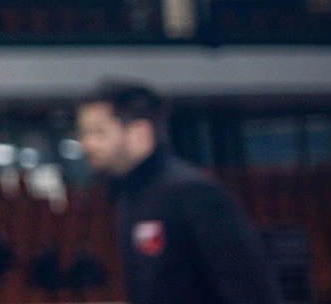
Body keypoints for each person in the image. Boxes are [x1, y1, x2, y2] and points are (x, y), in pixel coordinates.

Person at [74, 78, 278, 304]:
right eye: (84, 134)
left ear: (140, 132)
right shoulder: (127, 197)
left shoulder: (192, 192)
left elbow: (251, 291)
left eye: (98, 133)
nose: (86, 144)